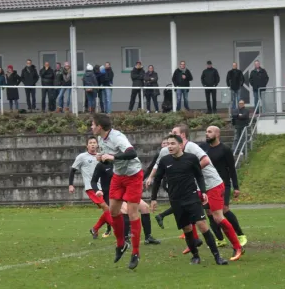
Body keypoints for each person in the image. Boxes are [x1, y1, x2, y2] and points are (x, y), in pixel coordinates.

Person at [146, 124, 244, 260]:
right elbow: (158, 164)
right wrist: (150, 177)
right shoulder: (168, 150)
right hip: (196, 187)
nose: (171, 136)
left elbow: (206, 160)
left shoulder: (191, 147)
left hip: (212, 184)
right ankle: (194, 242)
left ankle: (237, 246)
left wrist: (189, 171)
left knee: (217, 217)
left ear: (182, 136)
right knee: (191, 211)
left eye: (174, 133)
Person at [91, 113, 144, 270]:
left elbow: (132, 152)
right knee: (113, 211)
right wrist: (102, 157)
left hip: (133, 176)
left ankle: (135, 252)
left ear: (100, 126)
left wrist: (112, 157)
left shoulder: (117, 137)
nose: (91, 127)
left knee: (133, 213)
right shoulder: (101, 138)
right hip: (119, 176)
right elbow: (110, 156)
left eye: (93, 124)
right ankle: (121, 244)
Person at [200, 126, 247, 247]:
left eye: (209, 132)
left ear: (217, 134)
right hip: (208, 186)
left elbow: (231, 169)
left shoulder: (225, 149)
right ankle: (220, 239)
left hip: (223, 184)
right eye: (206, 131)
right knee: (209, 212)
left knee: (224, 209)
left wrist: (236, 187)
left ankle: (240, 235)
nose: (207, 134)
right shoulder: (203, 148)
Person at [69, 137, 112, 239]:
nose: (93, 144)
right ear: (87, 146)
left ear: (97, 145)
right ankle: (119, 230)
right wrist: (71, 184)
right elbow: (72, 170)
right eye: (90, 143)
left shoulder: (101, 156)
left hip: (104, 187)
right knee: (106, 207)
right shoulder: (82, 157)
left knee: (109, 209)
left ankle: (95, 229)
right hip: (91, 188)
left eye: (94, 142)